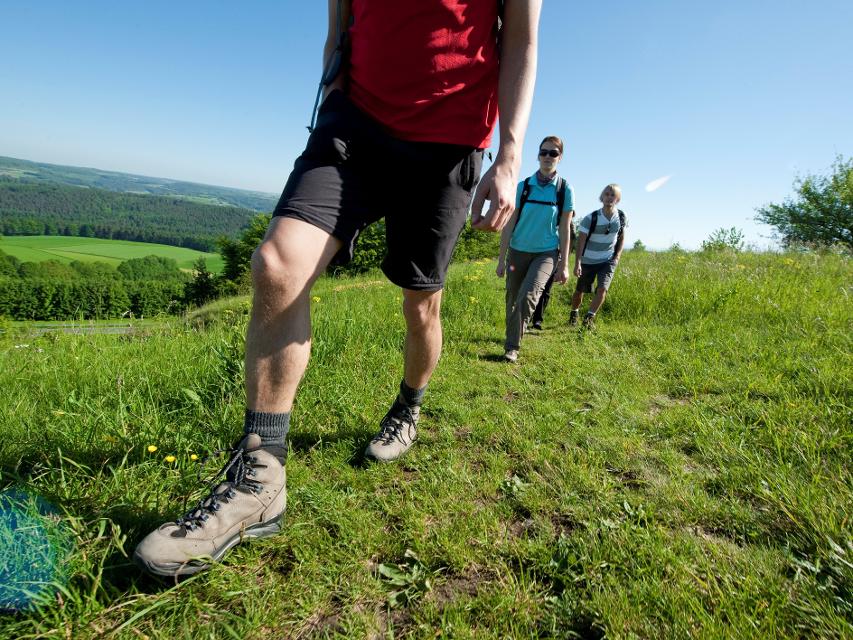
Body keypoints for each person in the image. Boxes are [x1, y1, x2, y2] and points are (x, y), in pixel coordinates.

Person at [133, 0, 543, 578]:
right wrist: (331, 101)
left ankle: (408, 408)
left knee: (420, 302)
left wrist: (509, 155)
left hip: (447, 147)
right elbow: (340, 28)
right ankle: (261, 476)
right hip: (354, 128)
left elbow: (521, 44)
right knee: (277, 266)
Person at [496, 136, 574, 362]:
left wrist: (565, 265)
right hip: (517, 250)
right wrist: (501, 259)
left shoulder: (564, 189)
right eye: (544, 152)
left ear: (560, 157)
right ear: (538, 155)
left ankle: (512, 347)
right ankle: (514, 330)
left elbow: (565, 228)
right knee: (512, 298)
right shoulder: (523, 187)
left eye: (553, 153)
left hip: (546, 253)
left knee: (528, 296)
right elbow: (509, 223)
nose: (548, 157)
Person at [571, 184, 627, 329]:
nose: (609, 197)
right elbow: (580, 242)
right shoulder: (591, 218)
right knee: (580, 291)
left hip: (608, 260)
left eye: (612, 195)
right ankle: (574, 312)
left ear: (618, 199)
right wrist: (577, 263)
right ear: (602, 197)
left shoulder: (621, 217)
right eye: (607, 194)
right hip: (588, 260)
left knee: (602, 289)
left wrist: (617, 257)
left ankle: (589, 318)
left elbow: (621, 238)